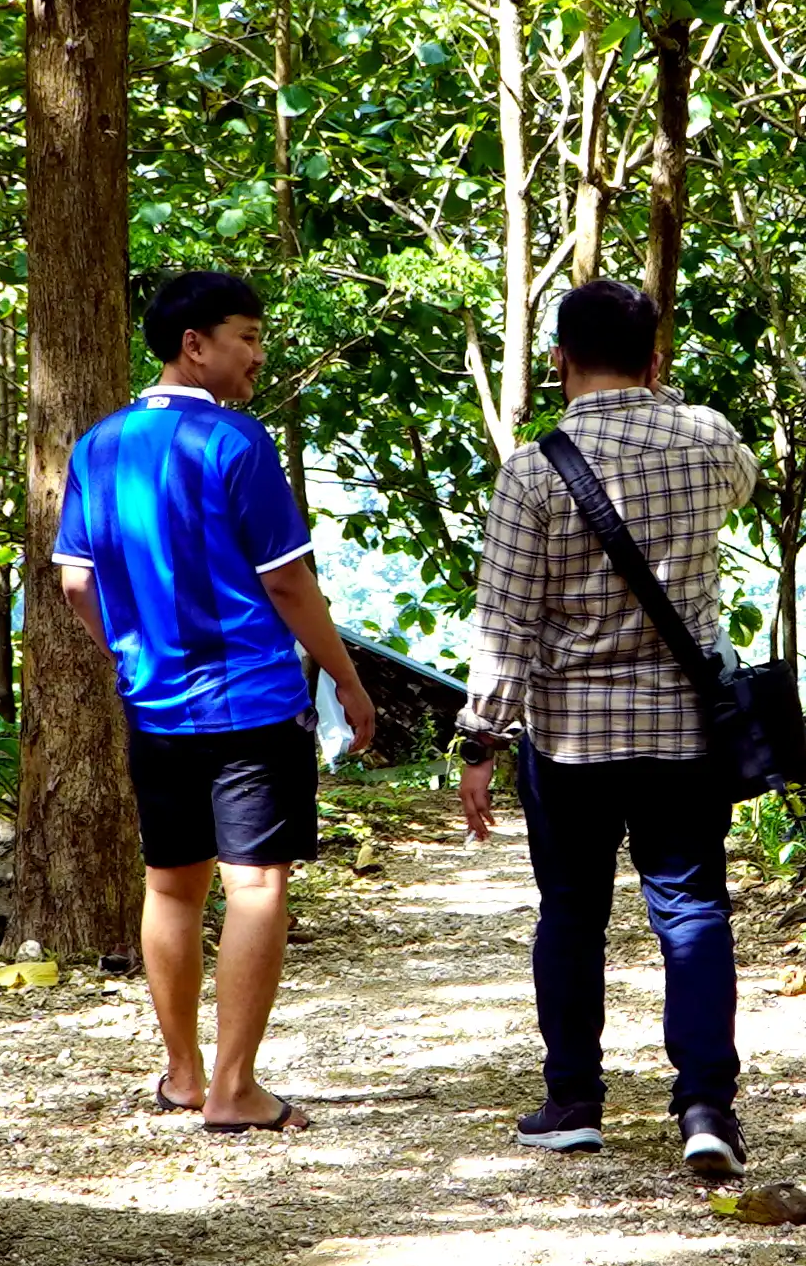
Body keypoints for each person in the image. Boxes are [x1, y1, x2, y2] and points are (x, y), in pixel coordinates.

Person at [54, 268, 382, 1132]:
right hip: (253, 701)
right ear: (193, 344)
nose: (258, 355)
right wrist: (346, 677)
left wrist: (129, 655)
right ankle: (237, 1090)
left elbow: (76, 581)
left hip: (154, 703)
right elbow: (288, 583)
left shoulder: (98, 444)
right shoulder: (238, 444)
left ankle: (183, 1075)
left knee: (170, 886)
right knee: (258, 885)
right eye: (247, 336)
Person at [453, 277, 759, 1168]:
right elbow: (739, 486)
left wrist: (481, 741)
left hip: (571, 737)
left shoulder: (532, 470)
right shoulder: (709, 438)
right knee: (693, 909)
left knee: (573, 912)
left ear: (558, 361)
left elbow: (505, 621)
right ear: (656, 356)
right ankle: (706, 1110)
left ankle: (574, 1100)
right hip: (685, 734)